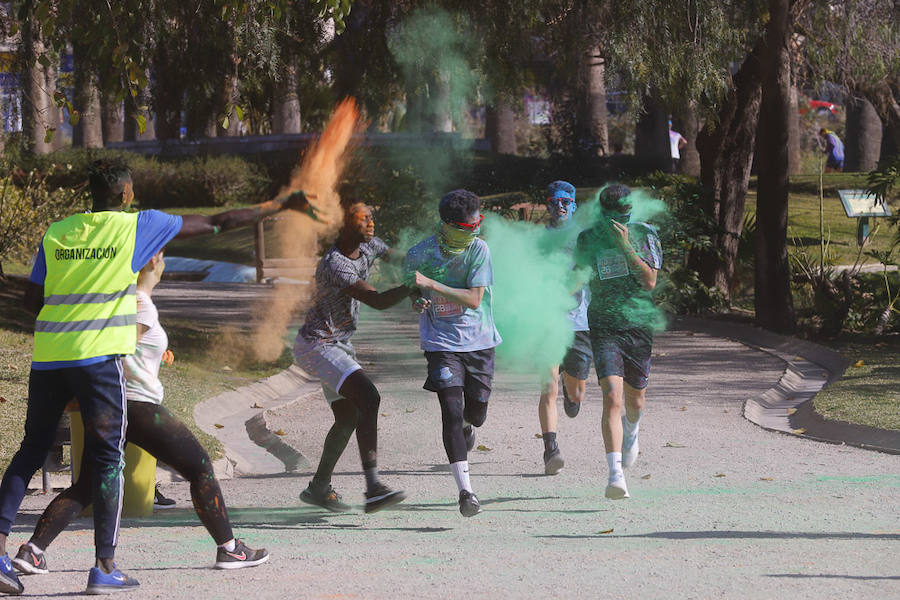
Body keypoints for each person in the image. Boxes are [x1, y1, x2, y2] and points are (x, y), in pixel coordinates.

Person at [0, 159, 311, 596]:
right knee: (117, 463)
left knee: (34, 453)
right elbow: (220, 221)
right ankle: (106, 567)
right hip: (100, 365)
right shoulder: (137, 227)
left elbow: (33, 299)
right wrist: (279, 204)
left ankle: (14, 553)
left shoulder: (58, 231)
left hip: (50, 357)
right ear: (126, 193)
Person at [12, 249, 268, 582]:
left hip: (107, 406)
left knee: (87, 484)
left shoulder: (114, 300)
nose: (162, 258)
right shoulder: (139, 303)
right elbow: (117, 350)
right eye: (159, 253)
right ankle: (230, 548)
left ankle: (32, 551)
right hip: (136, 406)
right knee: (200, 466)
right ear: (150, 262)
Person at [294, 201, 410, 514]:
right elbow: (377, 300)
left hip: (338, 344)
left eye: (372, 216)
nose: (371, 223)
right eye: (363, 219)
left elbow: (397, 257)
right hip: (318, 344)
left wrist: (425, 261)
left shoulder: (369, 244)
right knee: (369, 398)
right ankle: (373, 488)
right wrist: (412, 286)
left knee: (347, 418)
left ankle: (318, 487)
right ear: (344, 225)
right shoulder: (335, 264)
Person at [405, 190, 502, 517]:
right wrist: (417, 300)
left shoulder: (479, 250)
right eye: (468, 225)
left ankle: (468, 426)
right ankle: (466, 493)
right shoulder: (420, 254)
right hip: (441, 344)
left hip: (479, 342)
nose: (476, 229)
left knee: (475, 415)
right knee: (450, 409)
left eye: (479, 223)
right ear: (448, 225)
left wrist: (433, 285)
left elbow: (475, 299)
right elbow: (413, 292)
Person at [574, 184, 662, 500]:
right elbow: (579, 275)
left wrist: (625, 245)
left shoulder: (644, 234)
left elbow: (649, 281)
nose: (618, 221)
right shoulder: (587, 238)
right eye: (613, 216)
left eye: (624, 215)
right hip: (603, 324)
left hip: (637, 324)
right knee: (612, 394)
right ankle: (615, 476)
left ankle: (632, 430)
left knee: (635, 400)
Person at [537, 181, 592, 476]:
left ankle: (572, 398)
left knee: (576, 393)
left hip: (579, 323)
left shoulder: (583, 239)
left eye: (566, 202)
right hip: (547, 321)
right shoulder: (538, 240)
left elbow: (585, 272)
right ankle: (551, 450)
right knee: (548, 386)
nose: (560, 207)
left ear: (573, 206)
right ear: (547, 204)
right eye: (555, 201)